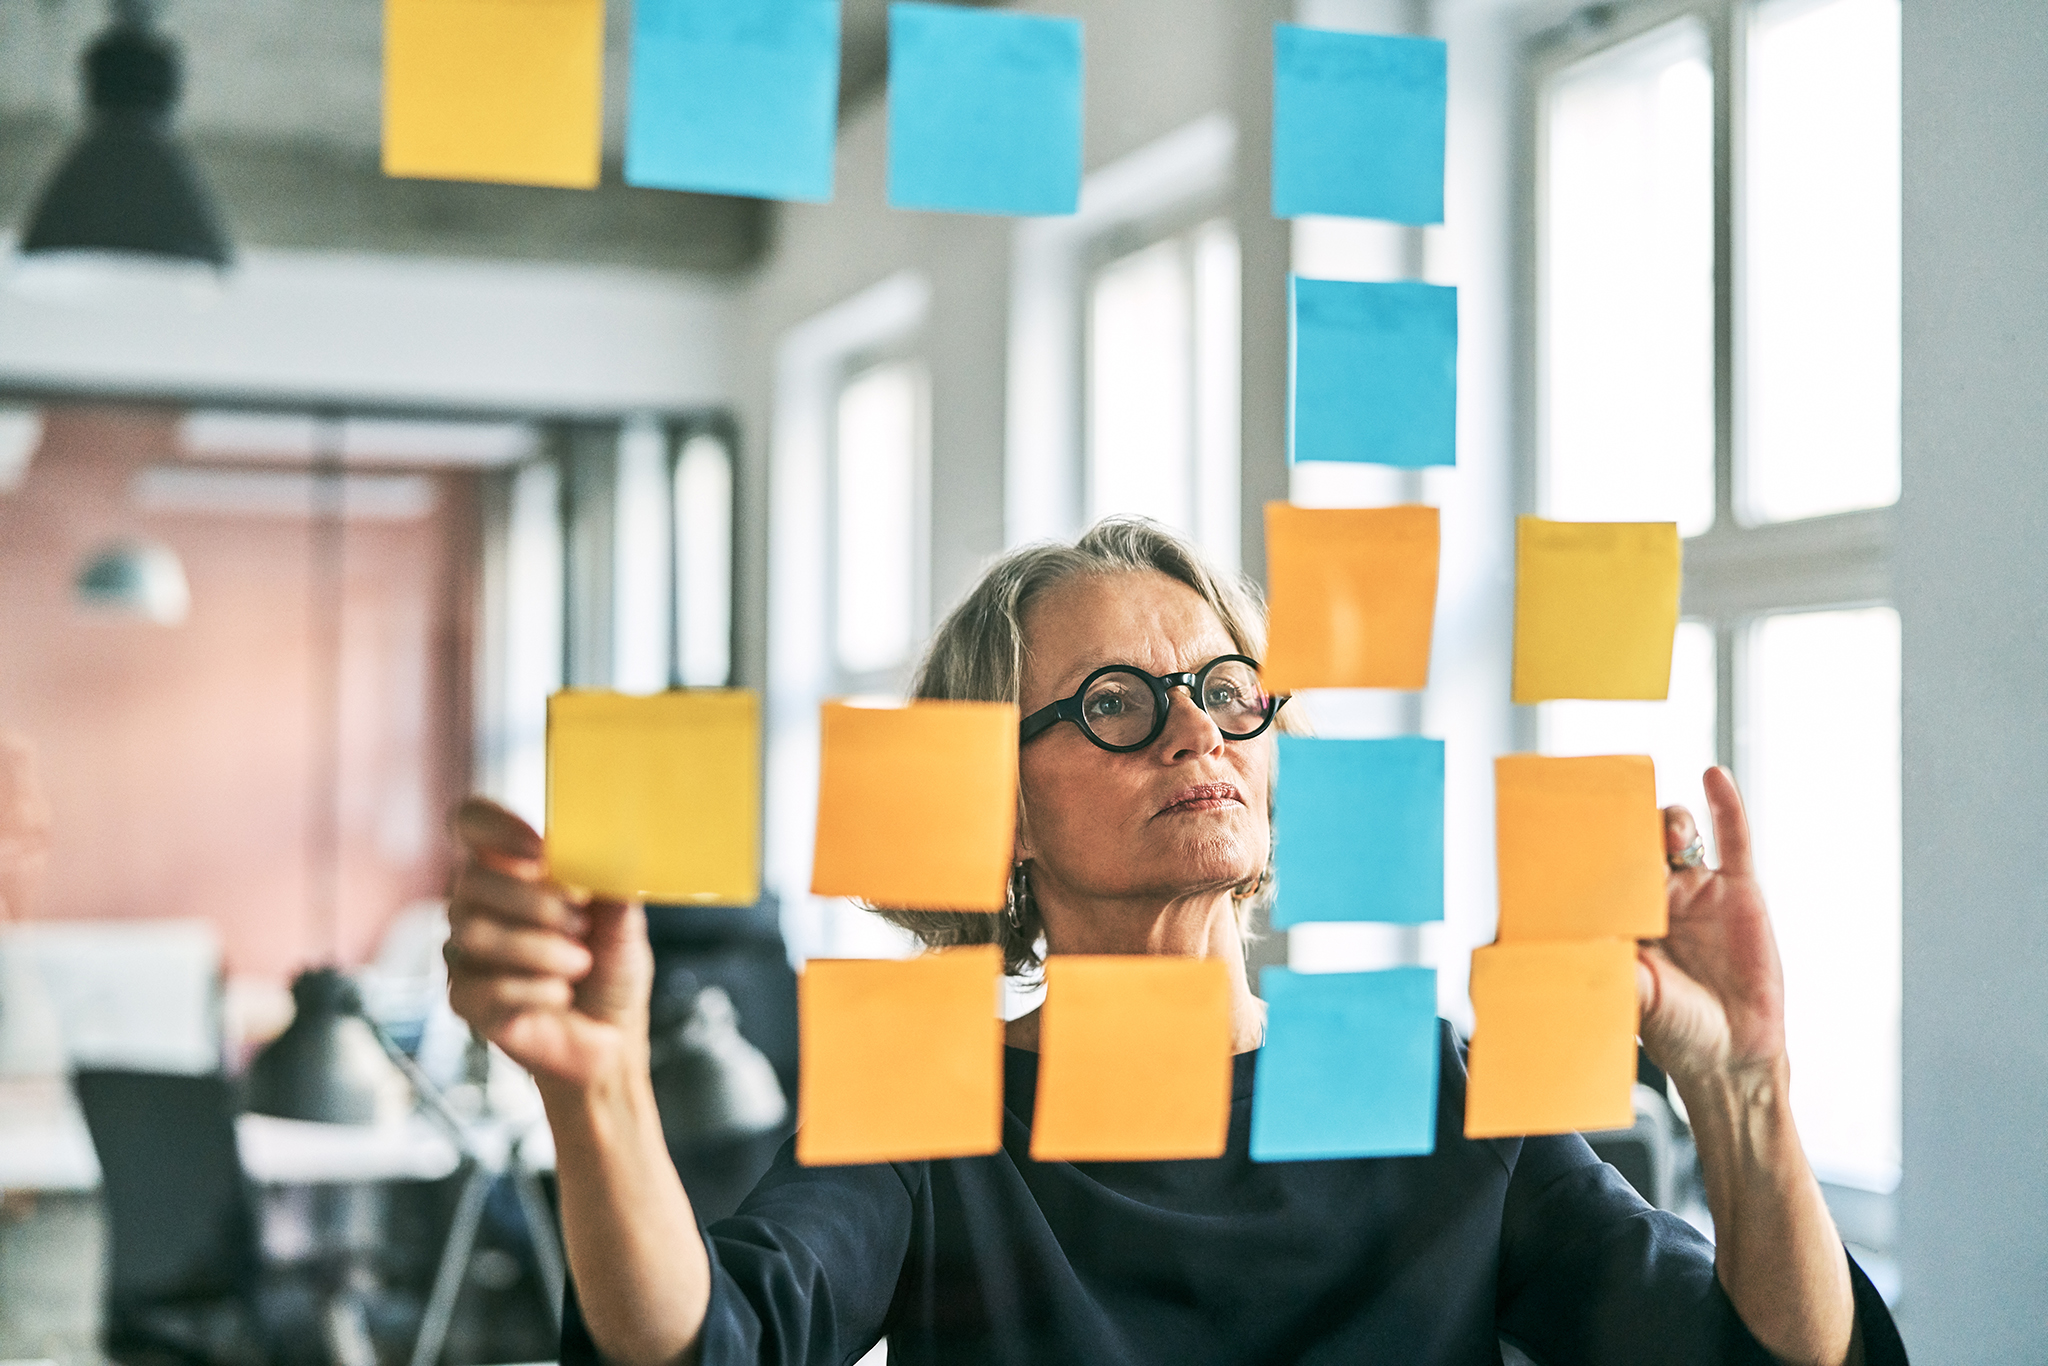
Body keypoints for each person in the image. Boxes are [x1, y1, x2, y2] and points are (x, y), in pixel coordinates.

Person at [445, 519, 1905, 1365]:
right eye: (1118, 704)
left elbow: (1781, 1364)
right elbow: (706, 1350)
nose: (1200, 729)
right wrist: (600, 1094)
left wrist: (1746, 1089)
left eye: (1224, 687)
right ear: (993, 806)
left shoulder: (1431, 1081)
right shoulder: (930, 1096)